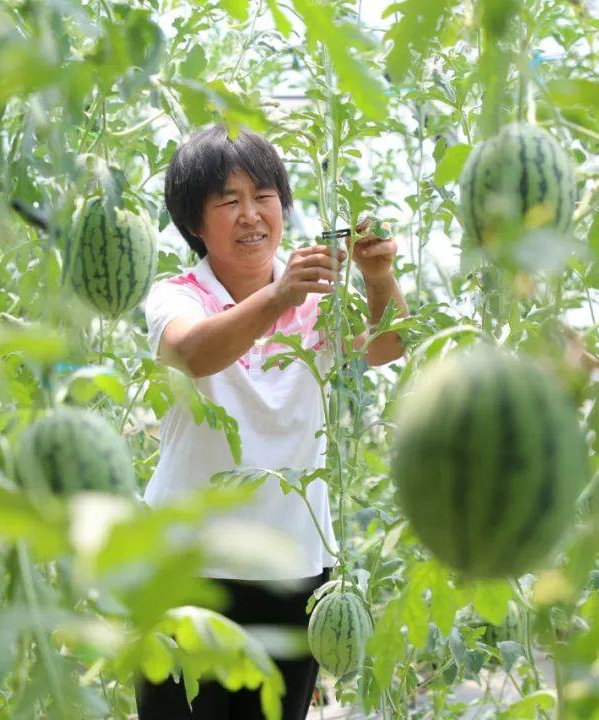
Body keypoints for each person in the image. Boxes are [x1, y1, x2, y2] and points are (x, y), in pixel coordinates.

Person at [137, 123, 408, 720]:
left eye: (263, 198)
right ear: (194, 225)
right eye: (228, 202)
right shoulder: (174, 295)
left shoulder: (315, 299)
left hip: (293, 568)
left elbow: (387, 347)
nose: (251, 215)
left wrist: (379, 275)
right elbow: (193, 353)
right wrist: (280, 297)